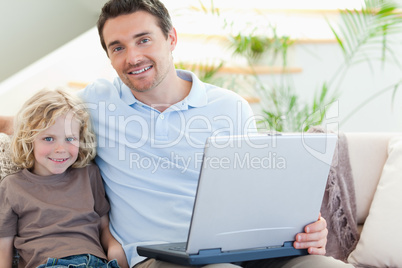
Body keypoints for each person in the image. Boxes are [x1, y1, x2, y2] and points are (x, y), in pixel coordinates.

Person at [0, 1, 354, 267]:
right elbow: (35, 123)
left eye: (143, 40)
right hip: (157, 256)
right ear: (108, 56)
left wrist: (308, 226)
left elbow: (255, 192)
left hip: (234, 248)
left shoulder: (229, 107)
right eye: (118, 47)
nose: (133, 56)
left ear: (170, 39)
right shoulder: (95, 103)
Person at [0, 88, 128, 268]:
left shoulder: (89, 174)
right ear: (29, 139)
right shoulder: (12, 186)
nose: (61, 149)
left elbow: (103, 225)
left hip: (95, 263)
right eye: (49, 139)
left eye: (70, 139)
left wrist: (114, 247)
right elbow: (3, 246)